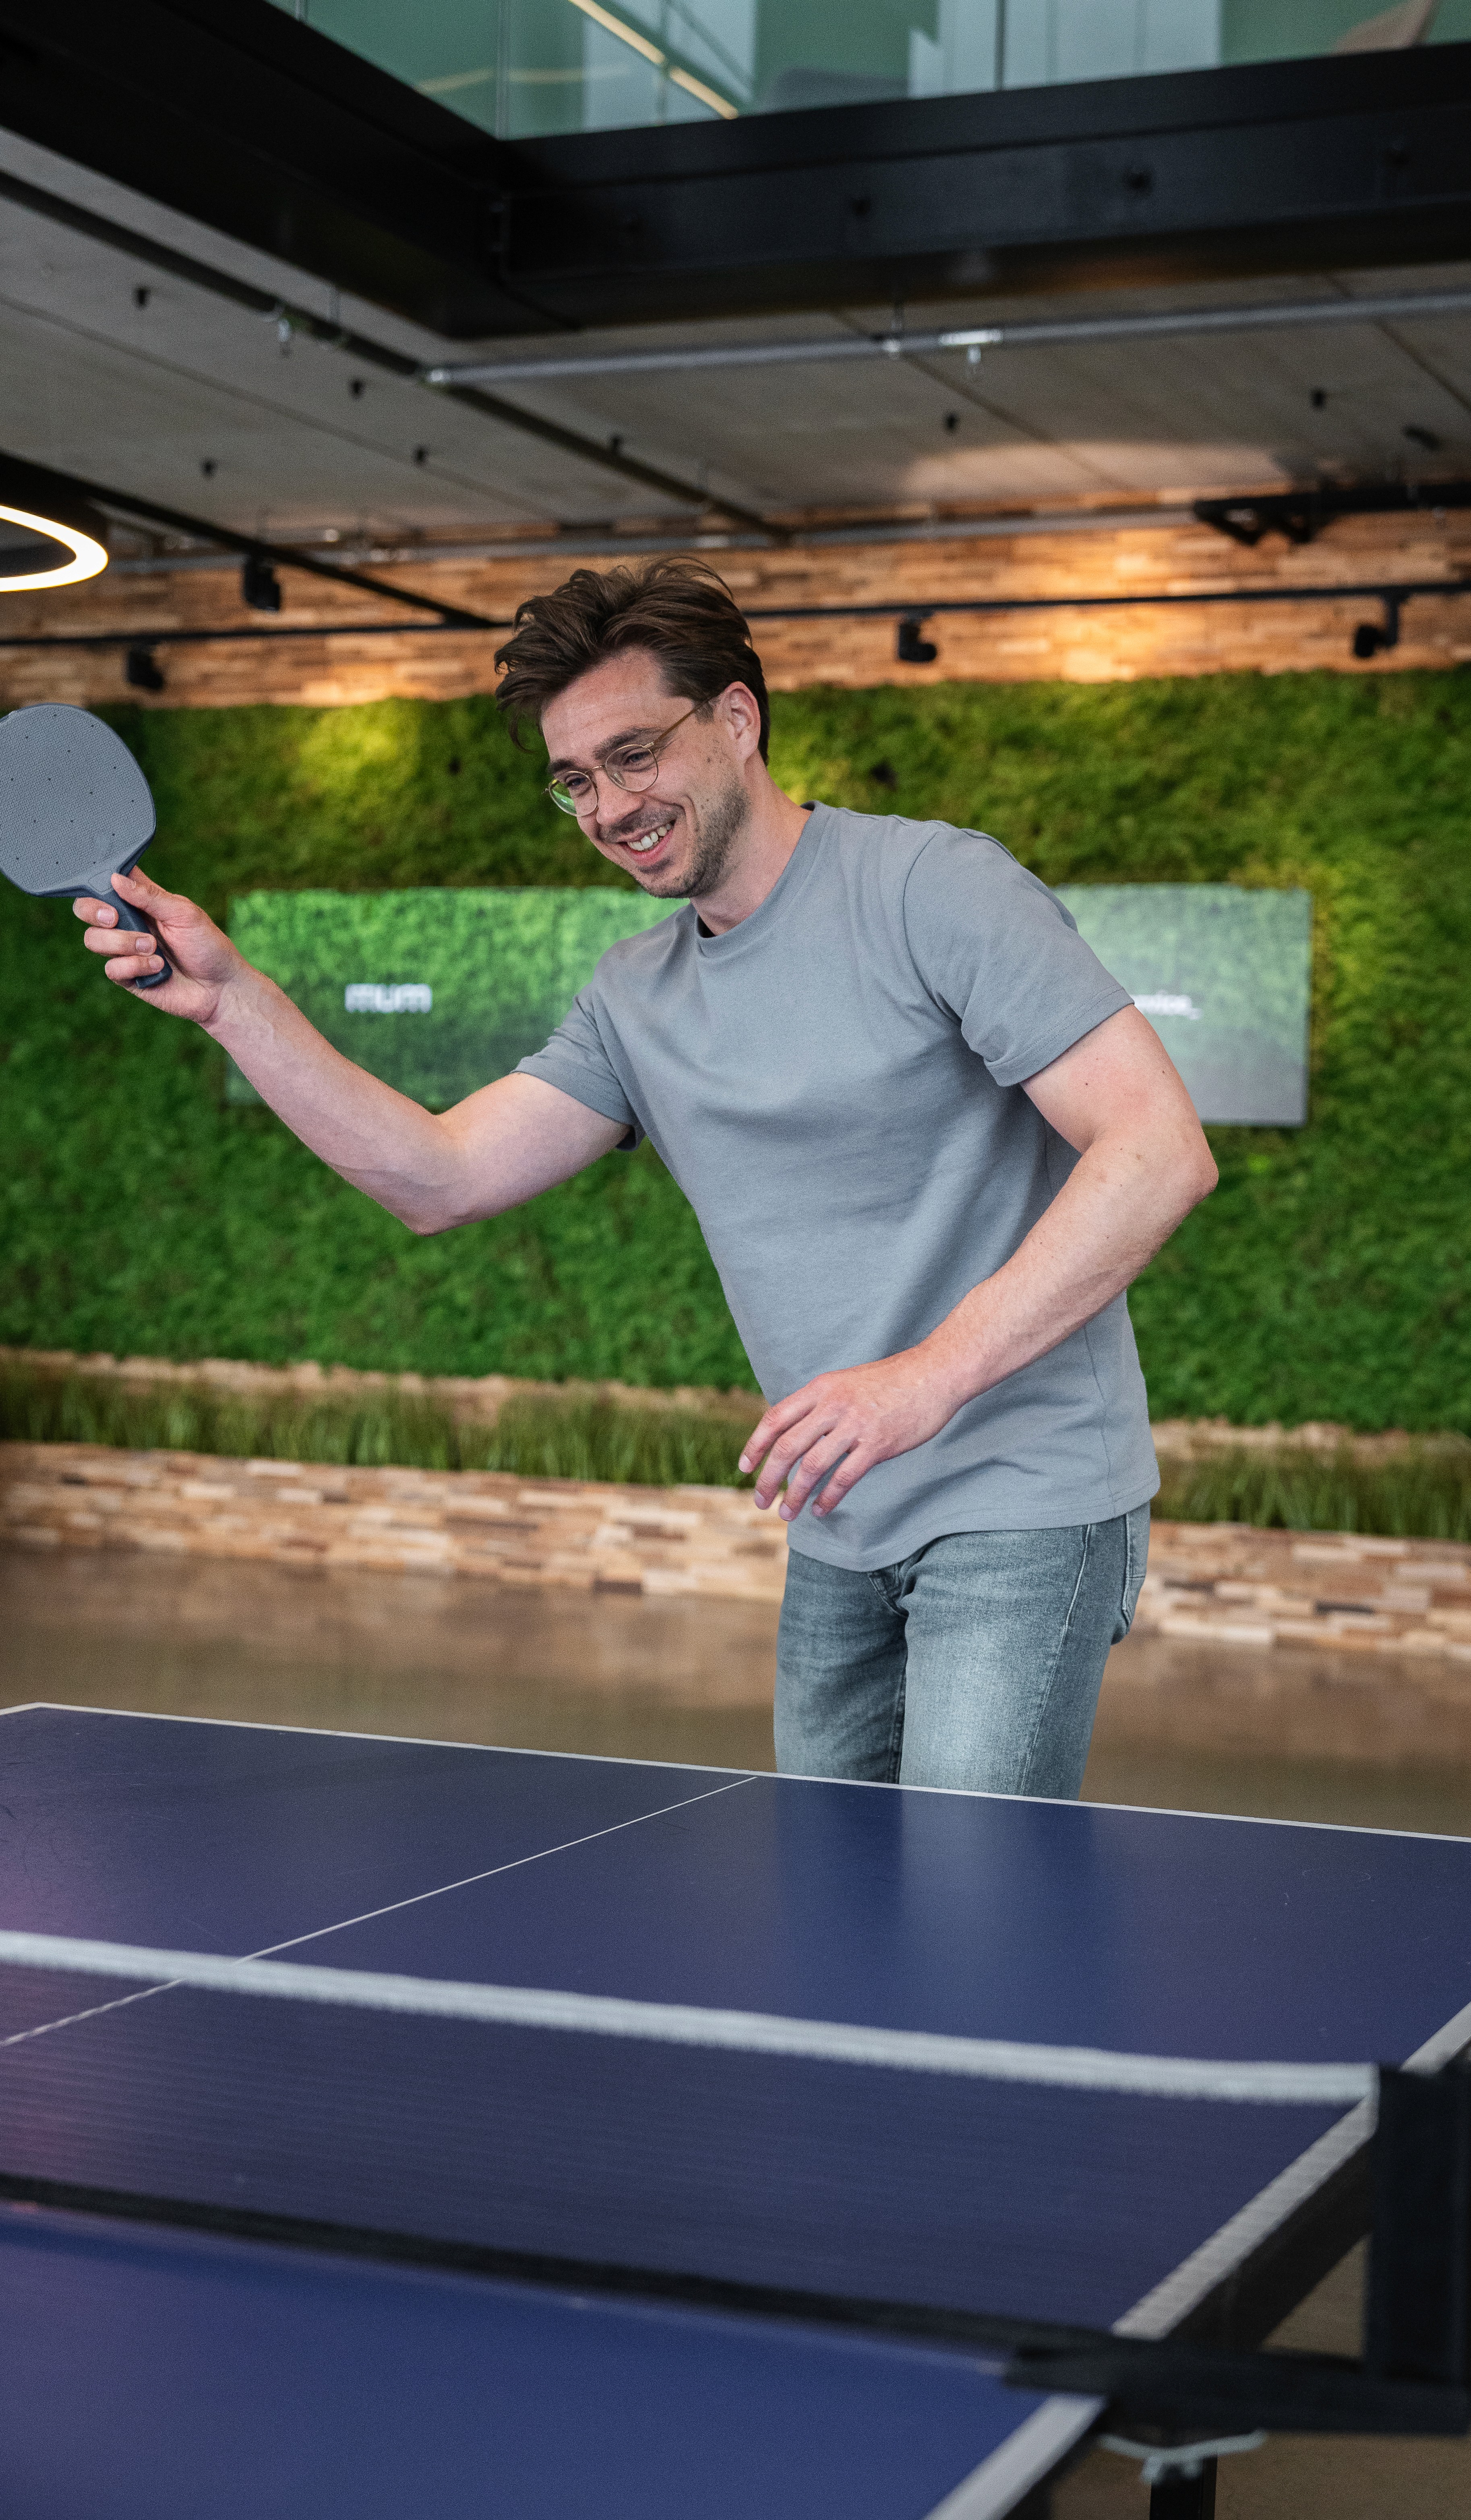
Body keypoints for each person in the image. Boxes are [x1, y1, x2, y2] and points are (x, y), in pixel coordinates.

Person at [78, 557, 1217, 1800]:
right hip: (837, 1524)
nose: (610, 805)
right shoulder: (634, 997)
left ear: (737, 719)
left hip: (1025, 1501)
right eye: (575, 781)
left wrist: (919, 1383)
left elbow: (1157, 1149)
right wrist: (234, 1004)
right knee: (843, 1905)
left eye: (634, 754)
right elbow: (437, 1175)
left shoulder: (930, 888)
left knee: (968, 1894)